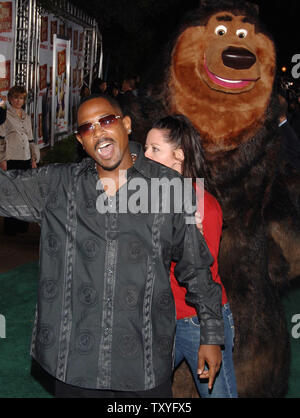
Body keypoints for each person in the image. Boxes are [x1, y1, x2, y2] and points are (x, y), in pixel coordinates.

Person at [0, 94, 224, 398]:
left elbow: (196, 268)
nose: (99, 132)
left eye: (106, 120)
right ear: (81, 141)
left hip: (143, 365)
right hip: (73, 365)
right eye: (87, 128)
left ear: (126, 125)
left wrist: (211, 335)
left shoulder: (170, 188)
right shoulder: (59, 186)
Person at [145, 114, 238, 398]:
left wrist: (210, 338)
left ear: (179, 156)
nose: (144, 155)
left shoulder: (203, 206)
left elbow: (202, 276)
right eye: (145, 148)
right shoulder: (149, 198)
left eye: (154, 149)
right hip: (160, 320)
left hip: (196, 322)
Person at [0, 85, 38, 235]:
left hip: (26, 158)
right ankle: (10, 228)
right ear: (10, 99)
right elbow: (1, 139)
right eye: (15, 97)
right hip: (11, 158)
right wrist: (2, 159)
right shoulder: (4, 115)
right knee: (11, 194)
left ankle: (23, 226)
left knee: (24, 193)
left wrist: (33, 159)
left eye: (21, 98)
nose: (18, 101)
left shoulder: (26, 116)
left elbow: (31, 139)